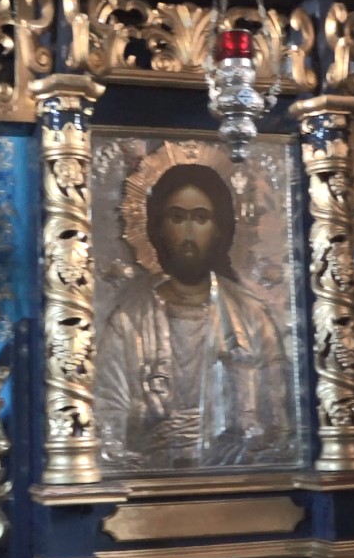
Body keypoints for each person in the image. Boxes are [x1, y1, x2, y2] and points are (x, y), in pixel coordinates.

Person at [96, 163, 291, 471]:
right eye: (177, 218)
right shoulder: (128, 321)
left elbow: (277, 421)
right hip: (151, 483)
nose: (188, 233)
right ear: (158, 227)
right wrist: (154, 427)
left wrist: (235, 436)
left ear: (219, 228)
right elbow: (107, 416)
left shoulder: (252, 316)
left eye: (200, 218)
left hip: (237, 478)